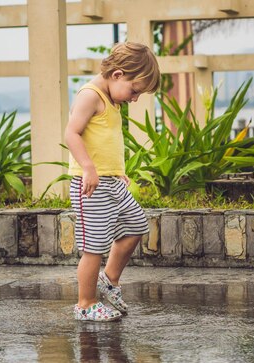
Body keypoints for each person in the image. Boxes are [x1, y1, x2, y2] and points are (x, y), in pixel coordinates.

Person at [65, 42, 160, 322]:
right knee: (94, 247)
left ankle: (110, 279)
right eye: (135, 91)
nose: (135, 98)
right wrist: (88, 167)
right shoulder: (89, 95)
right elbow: (71, 133)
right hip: (90, 185)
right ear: (118, 75)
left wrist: (115, 169)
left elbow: (104, 140)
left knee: (136, 226)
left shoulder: (111, 99)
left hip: (110, 181)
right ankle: (86, 304)